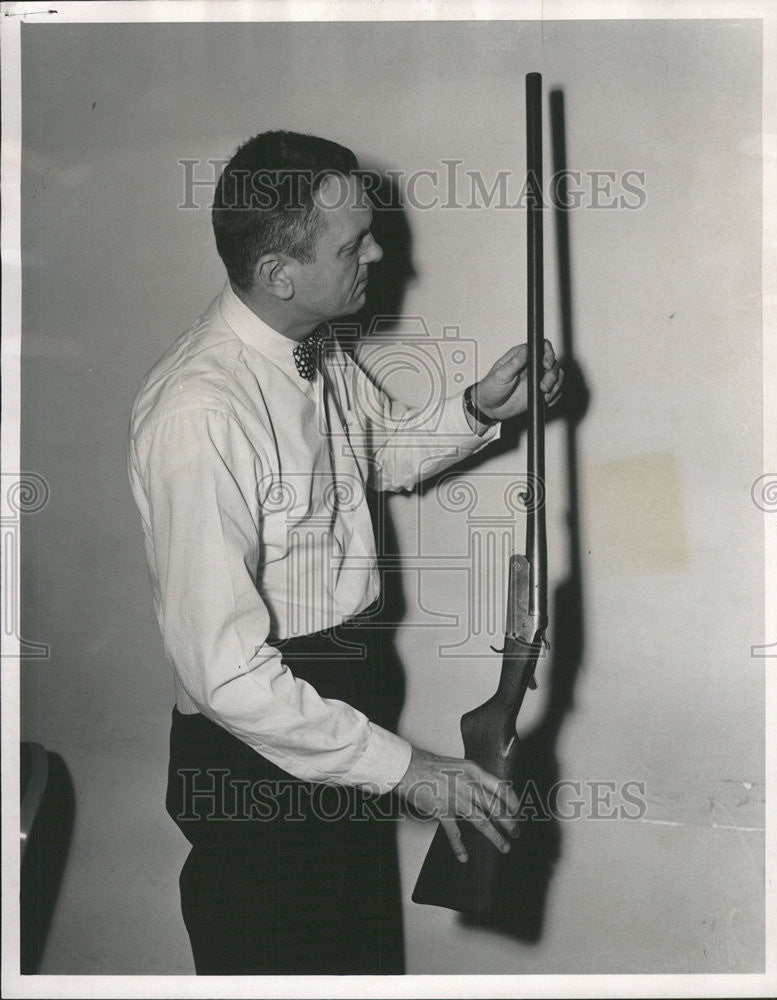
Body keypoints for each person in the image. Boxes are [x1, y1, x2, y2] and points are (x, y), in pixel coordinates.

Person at [127, 130, 563, 975]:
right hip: (259, 736)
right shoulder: (199, 413)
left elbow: (377, 451)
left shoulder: (311, 345)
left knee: (352, 961)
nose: (377, 251)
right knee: (279, 962)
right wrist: (407, 769)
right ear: (278, 274)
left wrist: (478, 406)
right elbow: (224, 673)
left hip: (342, 695)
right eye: (351, 242)